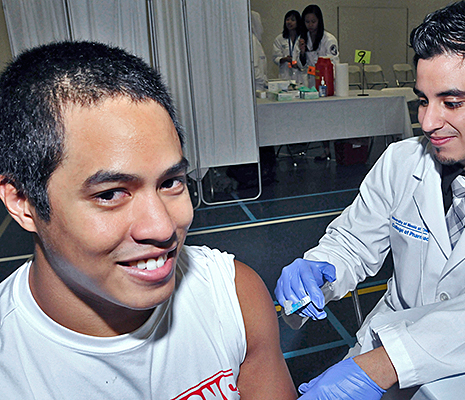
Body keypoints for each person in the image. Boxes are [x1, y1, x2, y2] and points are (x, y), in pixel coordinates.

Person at [0, 41, 297, 399]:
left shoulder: (234, 296)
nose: (162, 227)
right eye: (110, 194)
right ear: (22, 202)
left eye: (171, 183)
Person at [275, 1, 465, 398]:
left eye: (451, 103)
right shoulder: (401, 162)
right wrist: (320, 268)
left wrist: (385, 364)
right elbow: (353, 241)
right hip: (389, 341)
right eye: (423, 100)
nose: (428, 122)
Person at [298, 5, 339, 161]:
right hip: (311, 85)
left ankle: (332, 148)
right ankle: (325, 149)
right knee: (317, 119)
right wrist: (302, 52)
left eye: (313, 21)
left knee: (329, 118)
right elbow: (301, 65)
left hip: (327, 84)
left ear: (319, 21)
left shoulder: (329, 39)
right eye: (307, 21)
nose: (310, 25)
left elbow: (334, 63)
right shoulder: (304, 39)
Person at [272, 10, 303, 82]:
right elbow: (275, 58)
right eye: (287, 20)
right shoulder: (280, 38)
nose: (289, 22)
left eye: (293, 20)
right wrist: (284, 59)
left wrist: (298, 64)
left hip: (300, 75)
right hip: (285, 75)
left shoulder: (303, 38)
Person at [251, 10, 268, 91]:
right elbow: (255, 67)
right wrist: (260, 83)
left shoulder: (256, 41)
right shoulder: (252, 40)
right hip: (257, 86)